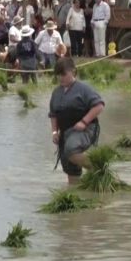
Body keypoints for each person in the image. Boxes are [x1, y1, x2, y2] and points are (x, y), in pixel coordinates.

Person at [49, 57, 105, 185]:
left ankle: (100, 170)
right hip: (64, 132)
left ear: (73, 72)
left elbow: (99, 105)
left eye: (63, 74)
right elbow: (53, 115)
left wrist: (84, 122)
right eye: (58, 74)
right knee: (69, 166)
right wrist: (54, 132)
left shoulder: (84, 89)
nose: (60, 78)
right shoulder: (56, 93)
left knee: (71, 149)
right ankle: (76, 194)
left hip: (85, 129)